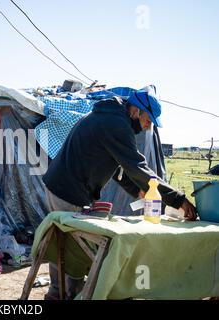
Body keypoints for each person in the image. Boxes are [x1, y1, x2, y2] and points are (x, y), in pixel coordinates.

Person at [42, 86, 197, 299]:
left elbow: (118, 170)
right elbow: (137, 166)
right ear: (136, 111)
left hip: (63, 185)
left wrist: (137, 189)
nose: (146, 127)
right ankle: (62, 295)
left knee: (66, 245)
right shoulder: (116, 124)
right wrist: (178, 199)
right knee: (71, 250)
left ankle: (59, 294)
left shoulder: (112, 118)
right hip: (67, 189)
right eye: (147, 121)